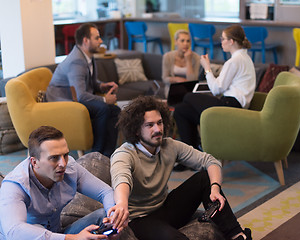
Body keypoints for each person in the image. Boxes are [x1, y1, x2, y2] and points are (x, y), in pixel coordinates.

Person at [109, 96, 252, 240]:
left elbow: (210, 161)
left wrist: (215, 188)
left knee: (204, 178)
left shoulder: (170, 146)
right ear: (136, 130)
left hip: (165, 208)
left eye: (160, 123)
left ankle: (236, 235)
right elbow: (121, 178)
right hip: (140, 219)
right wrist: (121, 203)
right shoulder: (124, 154)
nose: (158, 129)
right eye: (150, 125)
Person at [0, 126, 127, 240]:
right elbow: (14, 232)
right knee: (37, 227)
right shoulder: (14, 186)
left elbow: (104, 192)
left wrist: (113, 219)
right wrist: (72, 238)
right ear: (34, 162)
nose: (63, 164)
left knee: (106, 214)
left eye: (65, 155)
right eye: (54, 158)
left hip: (59, 233)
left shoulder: (70, 168)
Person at [173, 24, 256, 150]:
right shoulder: (245, 58)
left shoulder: (234, 62)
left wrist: (207, 67)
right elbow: (222, 85)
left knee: (188, 96)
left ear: (231, 41)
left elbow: (216, 89)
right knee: (181, 110)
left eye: (223, 39)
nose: (221, 42)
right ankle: (192, 154)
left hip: (230, 106)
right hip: (232, 104)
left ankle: (200, 146)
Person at [46, 23, 120, 157]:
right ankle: (96, 154)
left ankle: (108, 154)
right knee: (103, 108)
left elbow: (88, 82)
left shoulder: (87, 56)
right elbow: (80, 96)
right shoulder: (76, 61)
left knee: (115, 110)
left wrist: (102, 86)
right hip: (64, 101)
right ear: (86, 41)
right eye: (97, 38)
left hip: (75, 96)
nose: (101, 41)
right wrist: (104, 98)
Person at [162, 29, 200, 97]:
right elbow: (165, 78)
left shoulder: (196, 58)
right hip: (172, 87)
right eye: (182, 41)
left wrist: (188, 61)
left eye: (188, 41)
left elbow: (193, 81)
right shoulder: (167, 56)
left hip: (189, 89)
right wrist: (178, 80)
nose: (185, 44)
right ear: (175, 42)